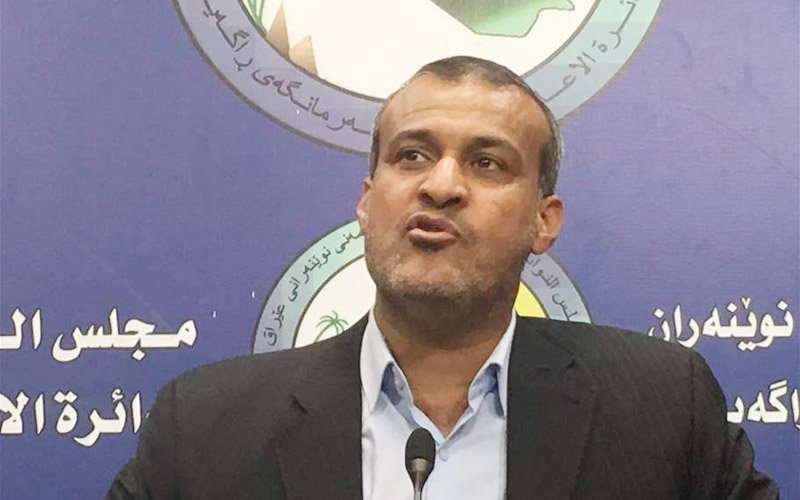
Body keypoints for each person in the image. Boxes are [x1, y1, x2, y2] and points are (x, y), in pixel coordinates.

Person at [107, 56, 778, 500]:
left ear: (543, 222)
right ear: (367, 201)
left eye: (487, 163)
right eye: (412, 155)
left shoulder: (663, 409)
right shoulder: (205, 426)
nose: (441, 185)